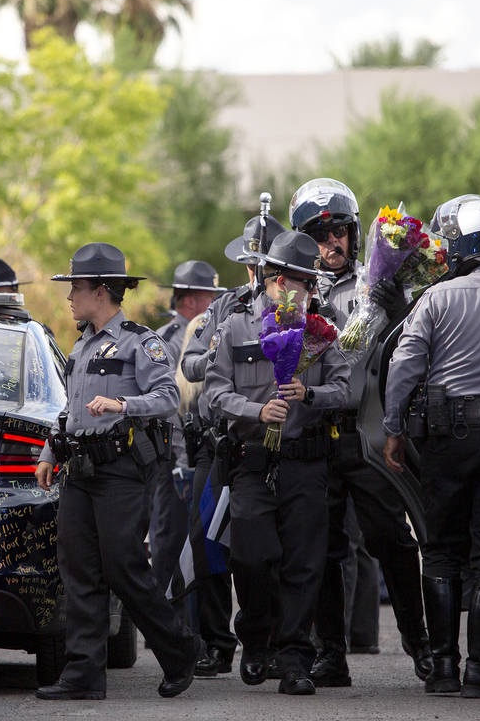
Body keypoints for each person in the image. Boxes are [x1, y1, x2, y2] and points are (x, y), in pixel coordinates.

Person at [381, 197, 480, 698]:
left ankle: (443, 669)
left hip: (446, 439)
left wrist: (392, 426)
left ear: (465, 244)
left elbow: (405, 363)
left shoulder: (438, 298)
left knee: (441, 550)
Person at [34, 243, 200, 700]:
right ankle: (84, 674)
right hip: (79, 471)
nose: (69, 297)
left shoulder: (139, 342)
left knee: (123, 567)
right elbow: (70, 409)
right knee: (79, 570)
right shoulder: (83, 343)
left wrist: (125, 405)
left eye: (76, 288)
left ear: (102, 291)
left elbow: (168, 397)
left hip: (121, 470)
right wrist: (51, 449)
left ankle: (180, 648)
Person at [288, 178, 432, 687]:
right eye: (318, 234)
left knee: (391, 538)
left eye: (339, 233)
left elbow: (415, 347)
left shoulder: (379, 285)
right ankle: (331, 653)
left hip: (365, 435)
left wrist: (398, 309)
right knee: (322, 546)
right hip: (311, 436)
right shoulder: (289, 292)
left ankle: (423, 648)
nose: (331, 244)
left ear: (354, 234)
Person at [204, 230, 351, 696]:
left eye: (304, 282)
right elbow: (213, 393)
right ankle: (256, 637)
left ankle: (294, 661)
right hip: (252, 460)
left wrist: (311, 393)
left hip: (305, 462)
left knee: (304, 564)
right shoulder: (235, 327)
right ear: (269, 278)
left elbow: (348, 390)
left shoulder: (322, 331)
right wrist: (256, 411)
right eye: (286, 279)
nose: (294, 289)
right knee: (250, 555)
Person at [180, 211, 287, 678]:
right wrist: (221, 347)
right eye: (248, 264)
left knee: (263, 551)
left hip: (272, 443)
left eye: (259, 263)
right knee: (206, 543)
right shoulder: (224, 307)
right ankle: (216, 642)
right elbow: (189, 366)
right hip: (218, 443)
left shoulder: (295, 305)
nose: (253, 273)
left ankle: (262, 638)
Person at [149, 261, 226, 601]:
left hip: (204, 450)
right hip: (174, 456)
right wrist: (181, 459)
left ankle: (191, 626)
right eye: (210, 297)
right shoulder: (166, 341)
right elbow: (169, 406)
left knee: (200, 539)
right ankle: (163, 619)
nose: (214, 304)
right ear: (191, 300)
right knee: (169, 536)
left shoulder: (212, 330)